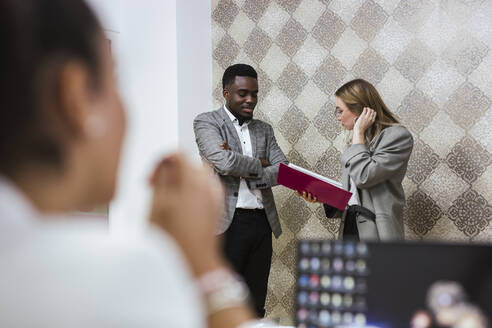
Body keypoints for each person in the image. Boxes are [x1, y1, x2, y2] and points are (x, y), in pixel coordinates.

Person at [0, 0, 258, 327]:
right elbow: (230, 161)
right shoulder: (115, 272)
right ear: (75, 96)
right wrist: (202, 263)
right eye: (115, 80)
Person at [193, 64, 288, 317]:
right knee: (224, 304)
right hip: (226, 224)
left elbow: (284, 170)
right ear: (226, 93)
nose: (250, 100)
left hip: (261, 223)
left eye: (254, 94)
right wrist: (262, 163)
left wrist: (239, 164)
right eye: (243, 93)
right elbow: (223, 162)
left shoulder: (264, 130)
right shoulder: (206, 122)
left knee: (255, 303)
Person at [299, 79, 413, 241]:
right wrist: (322, 196)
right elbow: (354, 196)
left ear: (360, 111)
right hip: (350, 226)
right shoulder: (358, 141)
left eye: (340, 111)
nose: (338, 117)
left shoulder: (397, 136)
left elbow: (365, 177)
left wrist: (358, 132)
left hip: (378, 231)